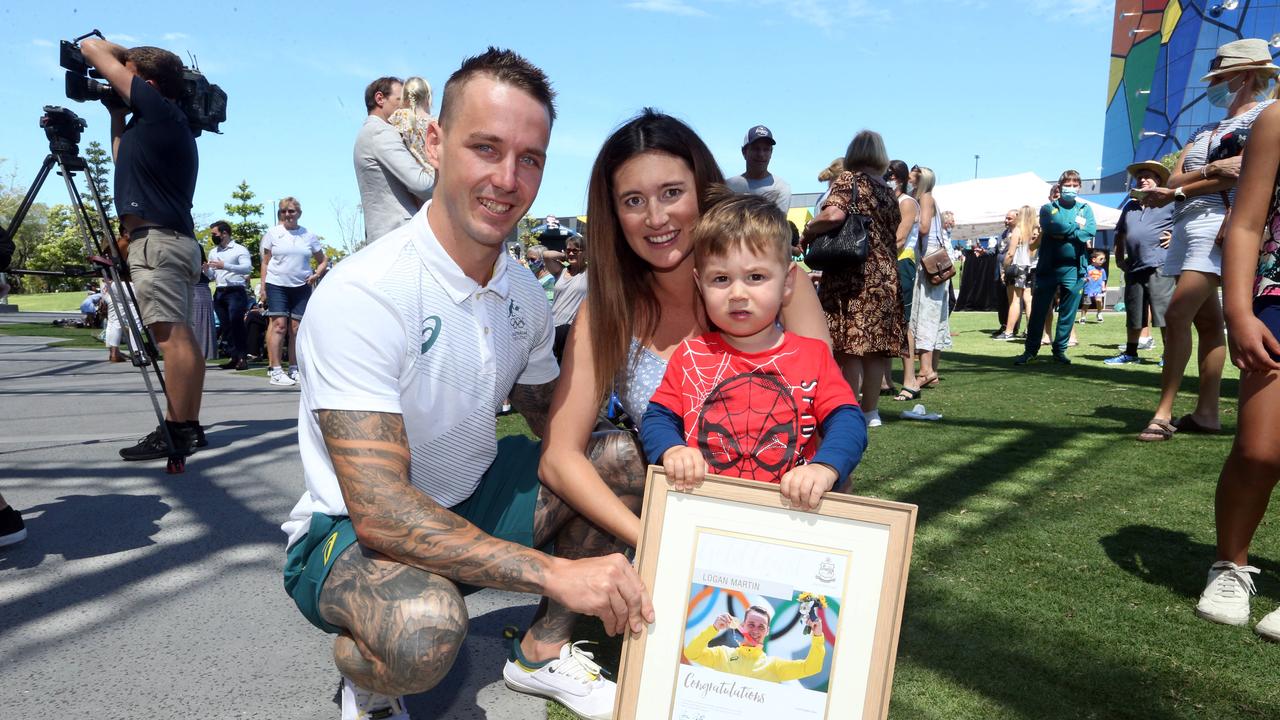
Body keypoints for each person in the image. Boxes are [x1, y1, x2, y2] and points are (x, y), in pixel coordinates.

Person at [281, 48, 652, 720]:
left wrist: (666, 420)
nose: (508, 179)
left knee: (618, 459)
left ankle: (541, 654)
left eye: (530, 158)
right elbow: (382, 512)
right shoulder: (366, 292)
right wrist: (555, 570)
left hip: (473, 495)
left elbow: (552, 421)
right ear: (435, 142)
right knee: (425, 628)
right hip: (348, 536)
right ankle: (365, 677)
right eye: (486, 148)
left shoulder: (524, 294)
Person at [539, 109, 832, 554]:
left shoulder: (781, 290)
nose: (656, 218)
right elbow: (560, 458)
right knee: (617, 452)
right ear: (614, 214)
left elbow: (831, 423)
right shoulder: (605, 311)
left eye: (671, 192)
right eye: (633, 200)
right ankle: (556, 618)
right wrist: (657, 544)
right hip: (678, 517)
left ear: (703, 193)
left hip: (785, 512)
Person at [639, 189, 866, 504]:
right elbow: (658, 416)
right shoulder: (690, 356)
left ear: (787, 282)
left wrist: (824, 467)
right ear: (699, 283)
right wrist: (672, 449)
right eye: (720, 279)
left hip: (789, 516)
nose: (737, 293)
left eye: (756, 276)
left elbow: (847, 419)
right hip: (707, 511)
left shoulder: (812, 356)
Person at [1136, 38, 1277, 441]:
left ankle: (1163, 412)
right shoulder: (1205, 128)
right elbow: (1176, 177)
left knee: (1178, 314)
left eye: (1220, 76)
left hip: (1222, 224)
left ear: (1244, 75)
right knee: (1204, 321)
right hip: (1187, 225)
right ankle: (1207, 412)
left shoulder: (1265, 116)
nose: (1214, 85)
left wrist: (1204, 185)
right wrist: (1215, 168)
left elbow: (1249, 175)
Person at [80, 37, 205, 460]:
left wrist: (122, 57)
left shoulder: (158, 109)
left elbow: (92, 46)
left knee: (171, 338)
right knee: (181, 337)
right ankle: (189, 425)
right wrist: (117, 116)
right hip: (171, 241)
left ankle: (176, 429)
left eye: (126, 75)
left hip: (157, 243)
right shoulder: (161, 122)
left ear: (147, 83)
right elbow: (125, 164)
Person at [1194, 99, 1280, 641]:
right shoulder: (1277, 119)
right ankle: (1229, 564)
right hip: (1277, 294)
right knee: (1259, 448)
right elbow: (1246, 222)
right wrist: (1240, 311)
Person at [801, 131, 906, 426]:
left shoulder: (850, 180)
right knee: (874, 349)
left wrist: (809, 229)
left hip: (853, 274)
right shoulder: (887, 190)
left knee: (849, 348)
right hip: (885, 276)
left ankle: (846, 412)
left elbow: (833, 215)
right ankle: (870, 412)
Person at [1014, 170, 1096, 365]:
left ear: (1080, 187)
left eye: (1075, 185)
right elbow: (1052, 228)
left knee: (1068, 313)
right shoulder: (1047, 208)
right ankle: (1031, 350)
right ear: (1060, 186)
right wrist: (1075, 230)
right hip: (1048, 268)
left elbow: (1090, 231)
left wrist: (1067, 231)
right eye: (1068, 184)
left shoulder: (1085, 208)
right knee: (1039, 311)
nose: (1072, 188)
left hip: (1074, 268)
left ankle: (1060, 350)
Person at [1107, 161, 1176, 365]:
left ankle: (1169, 355)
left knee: (1163, 312)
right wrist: (1119, 258)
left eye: (1148, 176)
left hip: (1160, 265)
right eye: (1140, 177)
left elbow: (1185, 225)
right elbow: (1120, 234)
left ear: (1158, 180)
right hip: (1134, 266)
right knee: (1134, 312)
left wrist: (1175, 237)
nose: (1143, 179)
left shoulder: (1170, 202)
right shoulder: (1130, 206)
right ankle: (1131, 353)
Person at [353, 76, 436, 243]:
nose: (406, 105)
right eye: (400, 99)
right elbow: (421, 184)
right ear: (380, 98)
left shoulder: (370, 132)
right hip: (399, 235)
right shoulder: (380, 132)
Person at [258, 197, 327, 387]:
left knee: (297, 329)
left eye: (291, 211)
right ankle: (276, 370)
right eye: (284, 211)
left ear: (299, 213)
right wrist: (263, 286)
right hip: (277, 284)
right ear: (280, 214)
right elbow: (265, 261)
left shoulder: (309, 235)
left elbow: (323, 259)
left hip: (301, 286)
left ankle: (294, 368)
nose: (287, 214)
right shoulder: (273, 234)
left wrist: (316, 274)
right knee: (279, 325)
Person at [683, 606, 825, 682]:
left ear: (767, 631)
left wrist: (818, 636)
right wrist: (714, 629)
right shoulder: (722, 654)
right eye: (751, 624)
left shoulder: (774, 666)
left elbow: (811, 667)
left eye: (761, 627)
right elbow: (691, 654)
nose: (755, 630)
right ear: (742, 625)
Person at [908, 166, 949, 384]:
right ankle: (931, 369)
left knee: (924, 314)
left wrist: (906, 218)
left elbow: (924, 228)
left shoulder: (924, 197)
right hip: (938, 261)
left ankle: (926, 370)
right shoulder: (932, 199)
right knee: (936, 315)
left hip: (927, 262)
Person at [884, 159, 920, 398]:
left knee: (902, 323)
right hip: (886, 261)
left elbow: (900, 239)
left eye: (892, 175)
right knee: (884, 322)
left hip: (902, 262)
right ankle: (885, 381)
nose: (888, 178)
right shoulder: (887, 200)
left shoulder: (906, 203)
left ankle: (911, 380)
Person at [206, 220, 252, 371]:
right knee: (226, 326)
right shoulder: (213, 252)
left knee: (236, 323)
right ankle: (233, 356)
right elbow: (213, 276)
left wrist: (224, 265)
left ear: (224, 233)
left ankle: (242, 357)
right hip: (220, 291)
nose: (213, 236)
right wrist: (205, 269)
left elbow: (247, 269)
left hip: (235, 290)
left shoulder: (239, 249)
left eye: (215, 234)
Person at [725, 124, 792, 214]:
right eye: (756, 149)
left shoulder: (781, 188)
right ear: (744, 152)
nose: (761, 154)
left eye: (766, 149)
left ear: (771, 153)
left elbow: (775, 226)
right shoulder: (728, 186)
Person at [995, 206, 1036, 340]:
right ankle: (1030, 330)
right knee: (1029, 300)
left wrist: (1004, 269)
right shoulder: (1036, 230)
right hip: (1031, 267)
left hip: (1017, 266)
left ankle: (1009, 332)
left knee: (1015, 300)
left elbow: (1010, 253)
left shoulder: (1018, 230)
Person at [550, 235, 588, 362]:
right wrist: (564, 256)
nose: (571, 253)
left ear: (584, 252)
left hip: (573, 329)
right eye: (568, 250)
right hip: (553, 326)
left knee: (568, 366)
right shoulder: (560, 271)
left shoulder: (590, 273)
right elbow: (546, 255)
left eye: (575, 251)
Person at [387, 76, 435, 172]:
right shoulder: (436, 124)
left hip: (409, 176)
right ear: (428, 98)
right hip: (435, 179)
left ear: (404, 98)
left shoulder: (400, 116)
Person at [1080, 249, 1108, 322]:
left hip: (1098, 289)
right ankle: (1083, 317)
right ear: (1094, 259)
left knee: (1099, 301)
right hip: (1088, 289)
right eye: (1101, 259)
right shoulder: (1088, 268)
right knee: (1087, 303)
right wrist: (1085, 279)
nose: (1103, 261)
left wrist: (1103, 287)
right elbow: (1083, 278)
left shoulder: (1102, 270)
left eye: (1104, 259)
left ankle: (1099, 313)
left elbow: (1103, 280)